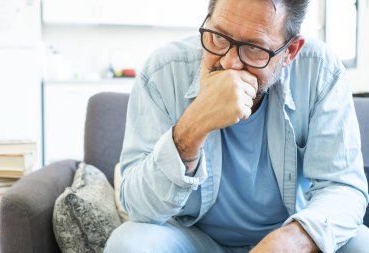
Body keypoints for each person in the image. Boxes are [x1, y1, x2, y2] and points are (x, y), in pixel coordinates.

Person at [104, 0, 369, 252]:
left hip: (286, 235)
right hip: (193, 239)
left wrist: (294, 240)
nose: (229, 63)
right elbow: (138, 207)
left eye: (254, 48)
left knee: (362, 242)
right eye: (219, 37)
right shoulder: (163, 71)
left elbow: (343, 188)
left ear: (290, 51)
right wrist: (194, 124)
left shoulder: (320, 71)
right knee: (127, 244)